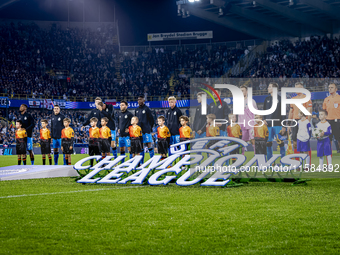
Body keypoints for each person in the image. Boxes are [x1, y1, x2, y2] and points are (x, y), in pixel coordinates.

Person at [288, 82, 312, 155]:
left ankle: (307, 164)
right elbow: (291, 112)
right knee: (295, 141)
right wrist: (289, 124)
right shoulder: (293, 99)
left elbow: (309, 111)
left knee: (305, 142)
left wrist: (307, 122)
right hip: (295, 121)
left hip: (303, 121)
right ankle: (297, 162)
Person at [263, 82, 283, 160]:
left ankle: (283, 162)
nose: (268, 88)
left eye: (270, 87)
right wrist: (264, 119)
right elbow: (264, 111)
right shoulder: (266, 99)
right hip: (268, 125)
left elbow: (283, 113)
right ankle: (269, 162)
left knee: (280, 142)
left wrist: (284, 125)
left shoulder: (280, 99)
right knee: (268, 143)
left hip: (278, 124)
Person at [135, 95, 154, 162]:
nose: (139, 101)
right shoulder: (136, 110)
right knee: (141, 146)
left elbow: (152, 120)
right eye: (138, 99)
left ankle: (153, 161)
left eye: (140, 99)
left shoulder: (147, 109)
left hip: (146, 130)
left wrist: (149, 127)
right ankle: (141, 163)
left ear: (144, 100)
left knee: (149, 145)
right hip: (139, 131)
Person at [238, 85, 257, 152]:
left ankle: (257, 158)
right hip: (242, 126)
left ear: (247, 92)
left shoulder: (252, 101)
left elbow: (256, 113)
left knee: (253, 141)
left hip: (251, 125)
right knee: (241, 142)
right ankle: (241, 159)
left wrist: (255, 124)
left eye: (242, 91)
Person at [322, 83, 340, 153]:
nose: (330, 89)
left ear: (336, 89)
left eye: (332, 87)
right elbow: (324, 111)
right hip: (328, 121)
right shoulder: (326, 99)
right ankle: (329, 151)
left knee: (338, 137)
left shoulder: (339, 98)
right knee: (328, 138)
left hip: (337, 120)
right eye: (329, 87)